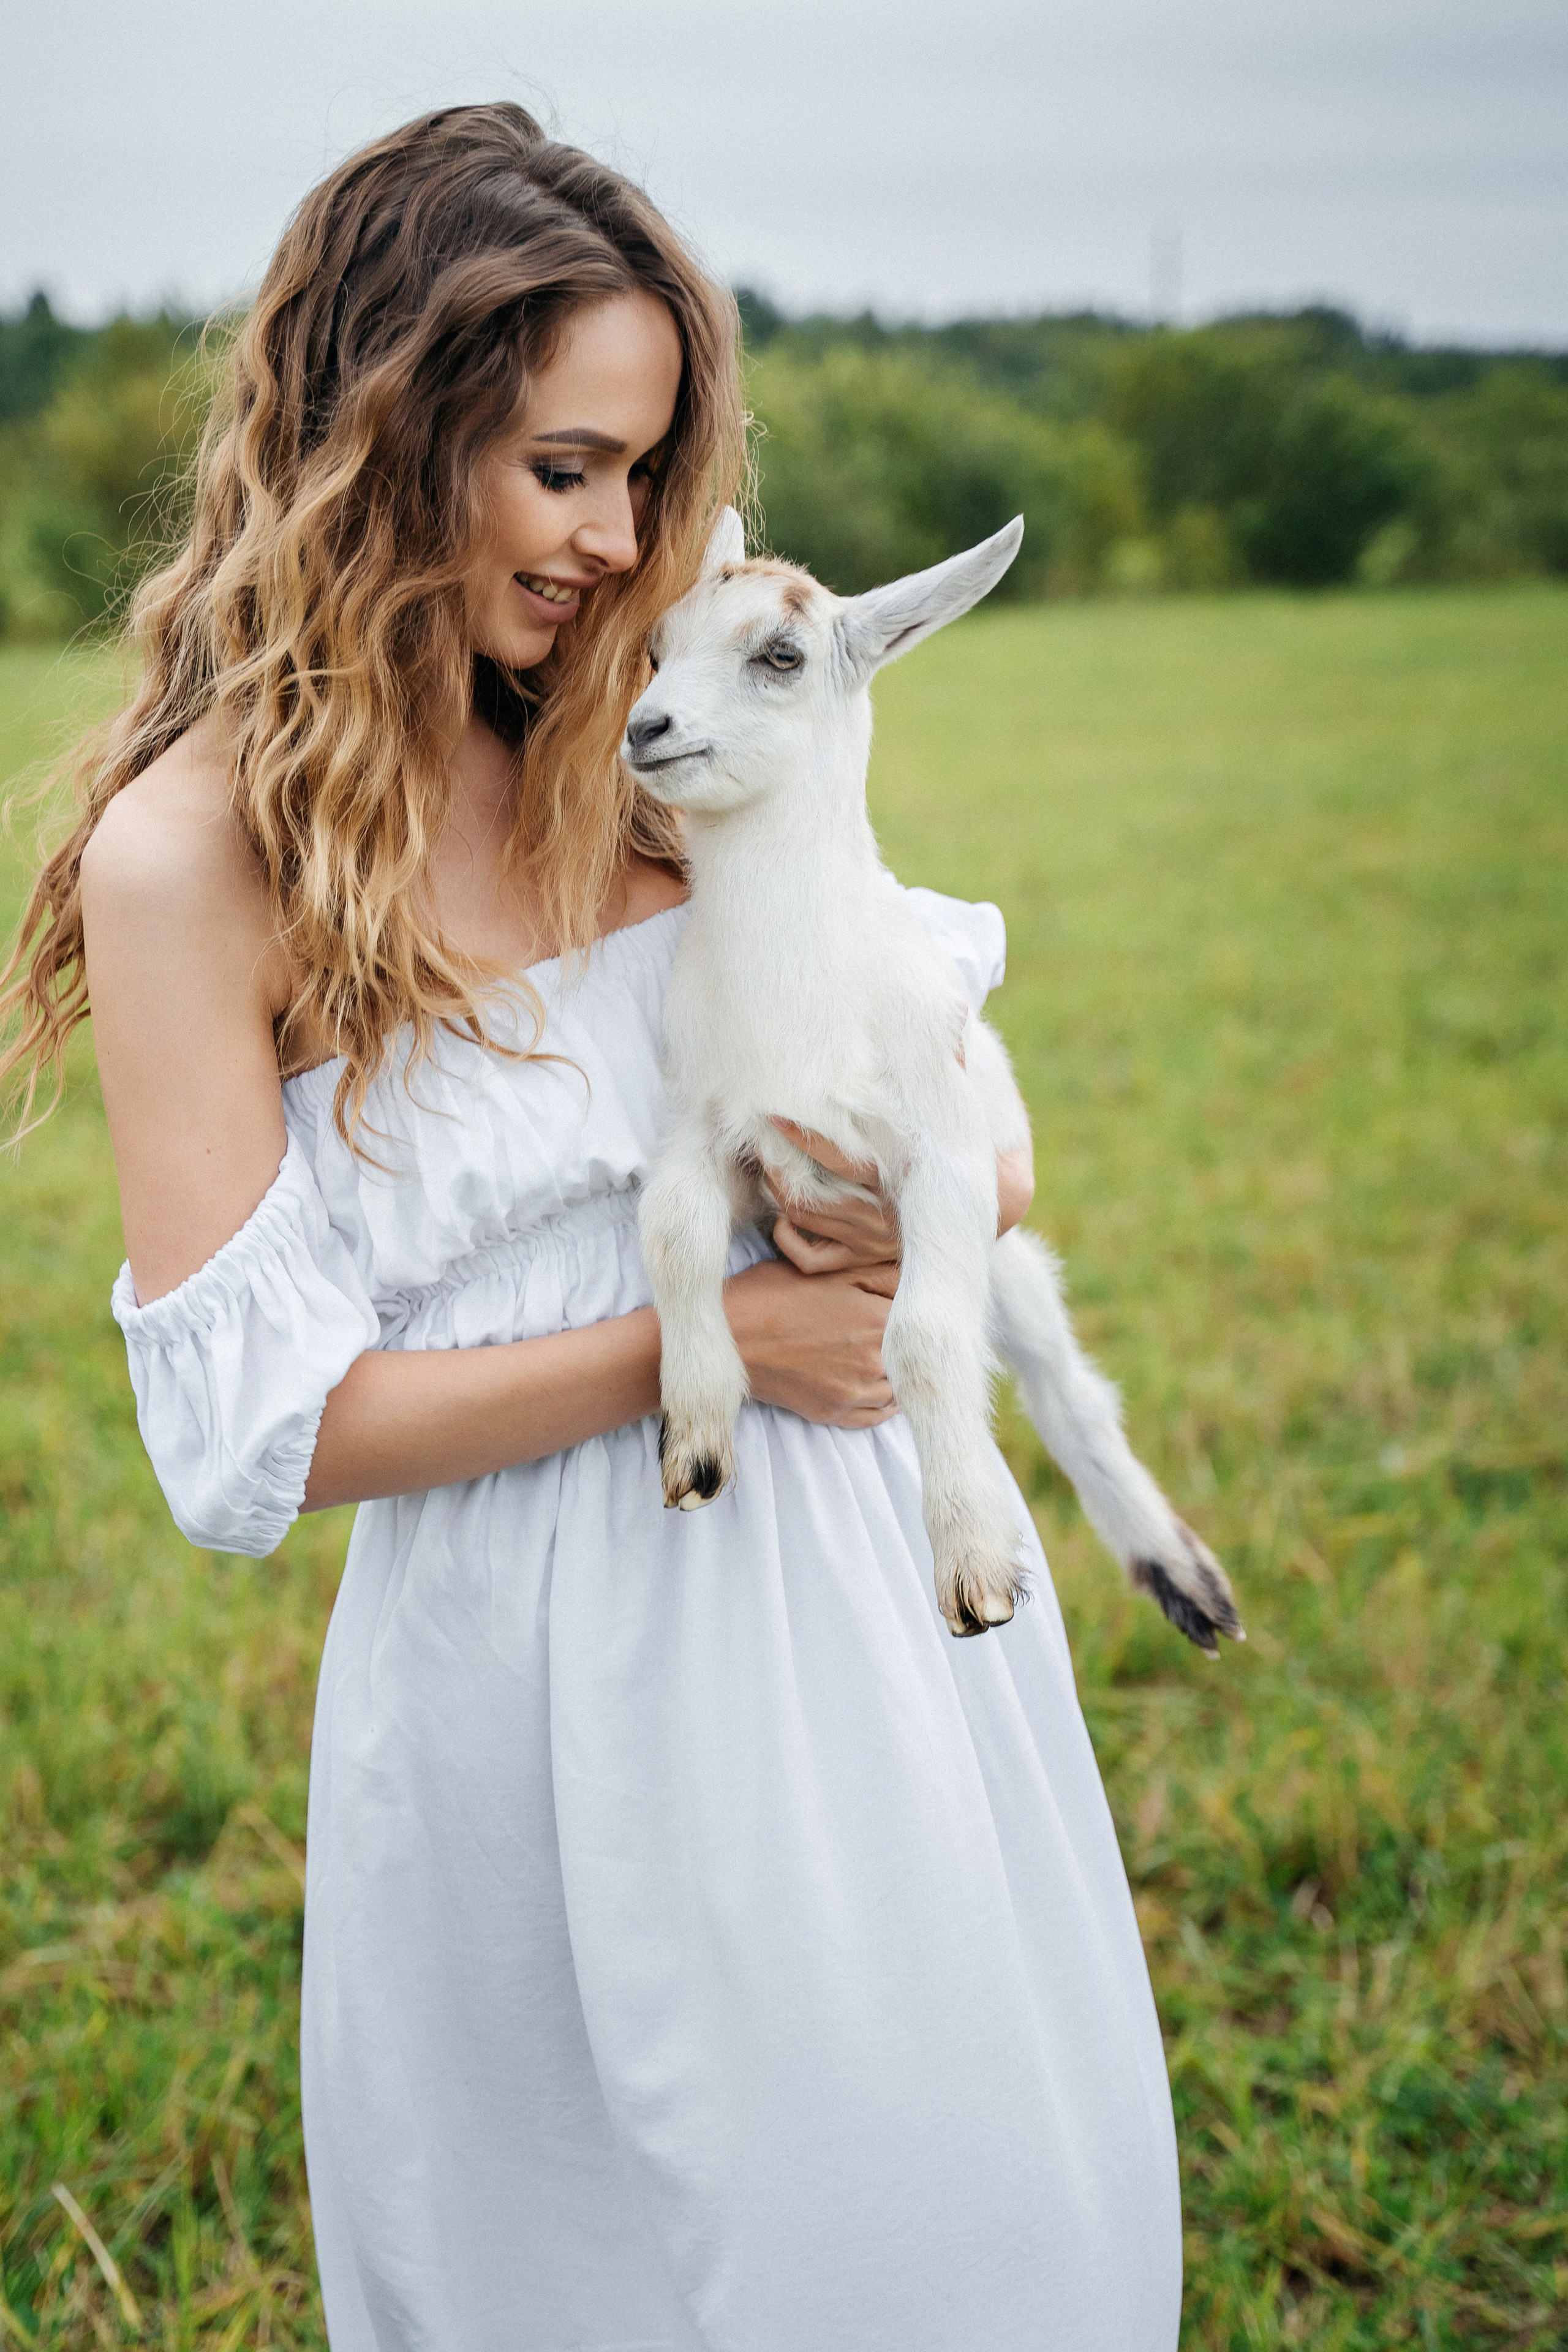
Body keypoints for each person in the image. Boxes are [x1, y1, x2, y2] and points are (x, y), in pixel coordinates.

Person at [0, 105, 1182, 2352]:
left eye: (645, 471)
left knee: (960, 2225)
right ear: (386, 433)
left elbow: (969, 1123)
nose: (618, 533)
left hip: (860, 1610)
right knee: (600, 2259)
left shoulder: (654, 726)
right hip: (536, 1683)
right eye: (562, 467)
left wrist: (888, 1222)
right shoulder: (200, 860)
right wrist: (703, 1338)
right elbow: (265, 1441)